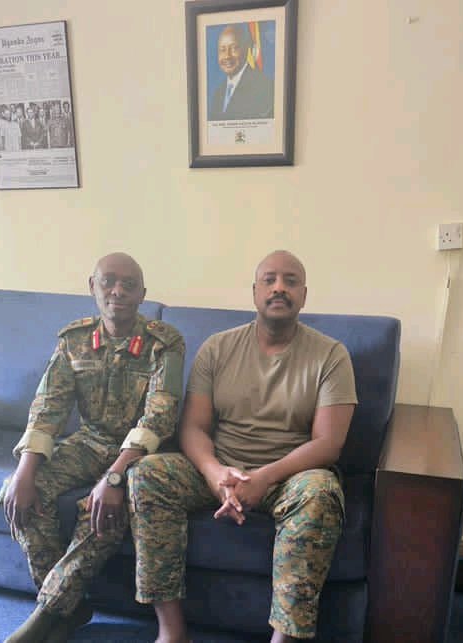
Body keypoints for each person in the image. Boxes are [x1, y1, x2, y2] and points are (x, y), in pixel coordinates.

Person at [129, 250, 357, 642]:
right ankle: (171, 631)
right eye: (269, 280)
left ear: (304, 295)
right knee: (147, 475)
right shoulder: (217, 348)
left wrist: (264, 477)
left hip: (289, 476)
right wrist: (215, 473)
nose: (279, 288)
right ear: (254, 292)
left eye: (290, 281)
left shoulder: (331, 356)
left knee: (321, 492)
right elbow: (193, 428)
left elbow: (328, 443)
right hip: (221, 468)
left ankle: (284, 638)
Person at [0, 252, 185, 643]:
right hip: (88, 443)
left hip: (141, 454)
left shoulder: (164, 344)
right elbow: (48, 409)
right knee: (18, 492)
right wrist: (24, 472)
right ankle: (69, 608)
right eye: (108, 281)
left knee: (100, 510)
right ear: (92, 287)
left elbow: (159, 418)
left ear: (142, 294)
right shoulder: (74, 340)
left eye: (129, 285)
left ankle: (48, 613)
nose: (117, 291)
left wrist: (114, 477)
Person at [208, 24, 274, 121]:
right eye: (222, 50)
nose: (227, 56)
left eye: (234, 48)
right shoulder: (218, 94)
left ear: (246, 49)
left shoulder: (264, 87)